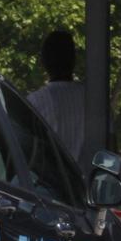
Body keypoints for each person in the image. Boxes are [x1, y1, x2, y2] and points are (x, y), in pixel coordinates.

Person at [27, 30, 87, 165]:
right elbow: (111, 146)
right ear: (73, 60)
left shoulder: (34, 102)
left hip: (49, 184)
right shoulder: (95, 100)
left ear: (43, 62)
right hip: (90, 182)